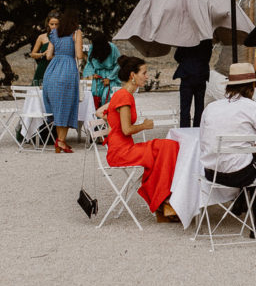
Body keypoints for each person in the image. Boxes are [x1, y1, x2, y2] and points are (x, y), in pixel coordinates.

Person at [198, 62, 256, 238]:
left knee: (252, 165)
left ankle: (241, 203)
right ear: (252, 86)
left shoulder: (211, 107)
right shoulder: (251, 107)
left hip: (210, 172)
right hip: (238, 175)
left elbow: (202, 140)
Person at [103, 56, 180, 223]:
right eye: (144, 73)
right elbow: (126, 129)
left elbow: (104, 112)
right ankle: (164, 202)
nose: (147, 76)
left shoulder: (123, 94)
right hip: (121, 152)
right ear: (133, 75)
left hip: (124, 148)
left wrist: (107, 118)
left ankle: (163, 202)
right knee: (168, 147)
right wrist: (144, 126)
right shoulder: (124, 96)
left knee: (168, 147)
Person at [42, 8, 84, 153]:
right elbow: (78, 55)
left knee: (58, 108)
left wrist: (59, 57)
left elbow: (48, 56)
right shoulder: (76, 33)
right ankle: (60, 141)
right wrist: (82, 56)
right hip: (67, 71)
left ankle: (61, 141)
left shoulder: (54, 33)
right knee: (66, 106)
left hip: (52, 72)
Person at [173, 39, 213, 127]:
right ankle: (197, 130)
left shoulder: (186, 38)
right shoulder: (206, 40)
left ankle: (185, 130)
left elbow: (177, 56)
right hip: (201, 75)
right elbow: (208, 57)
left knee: (185, 108)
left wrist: (187, 61)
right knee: (199, 107)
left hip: (187, 75)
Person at [84, 31, 120, 110]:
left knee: (106, 98)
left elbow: (118, 64)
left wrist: (109, 78)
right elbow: (89, 63)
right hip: (97, 77)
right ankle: (97, 121)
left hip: (110, 76)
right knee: (95, 98)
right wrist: (92, 73)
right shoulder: (93, 47)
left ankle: (108, 121)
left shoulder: (112, 47)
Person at [29, 12, 59, 87]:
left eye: (56, 24)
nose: (54, 26)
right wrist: (43, 54)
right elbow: (32, 54)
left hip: (58, 68)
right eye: (52, 24)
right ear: (48, 24)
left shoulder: (64, 38)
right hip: (43, 67)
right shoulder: (42, 37)